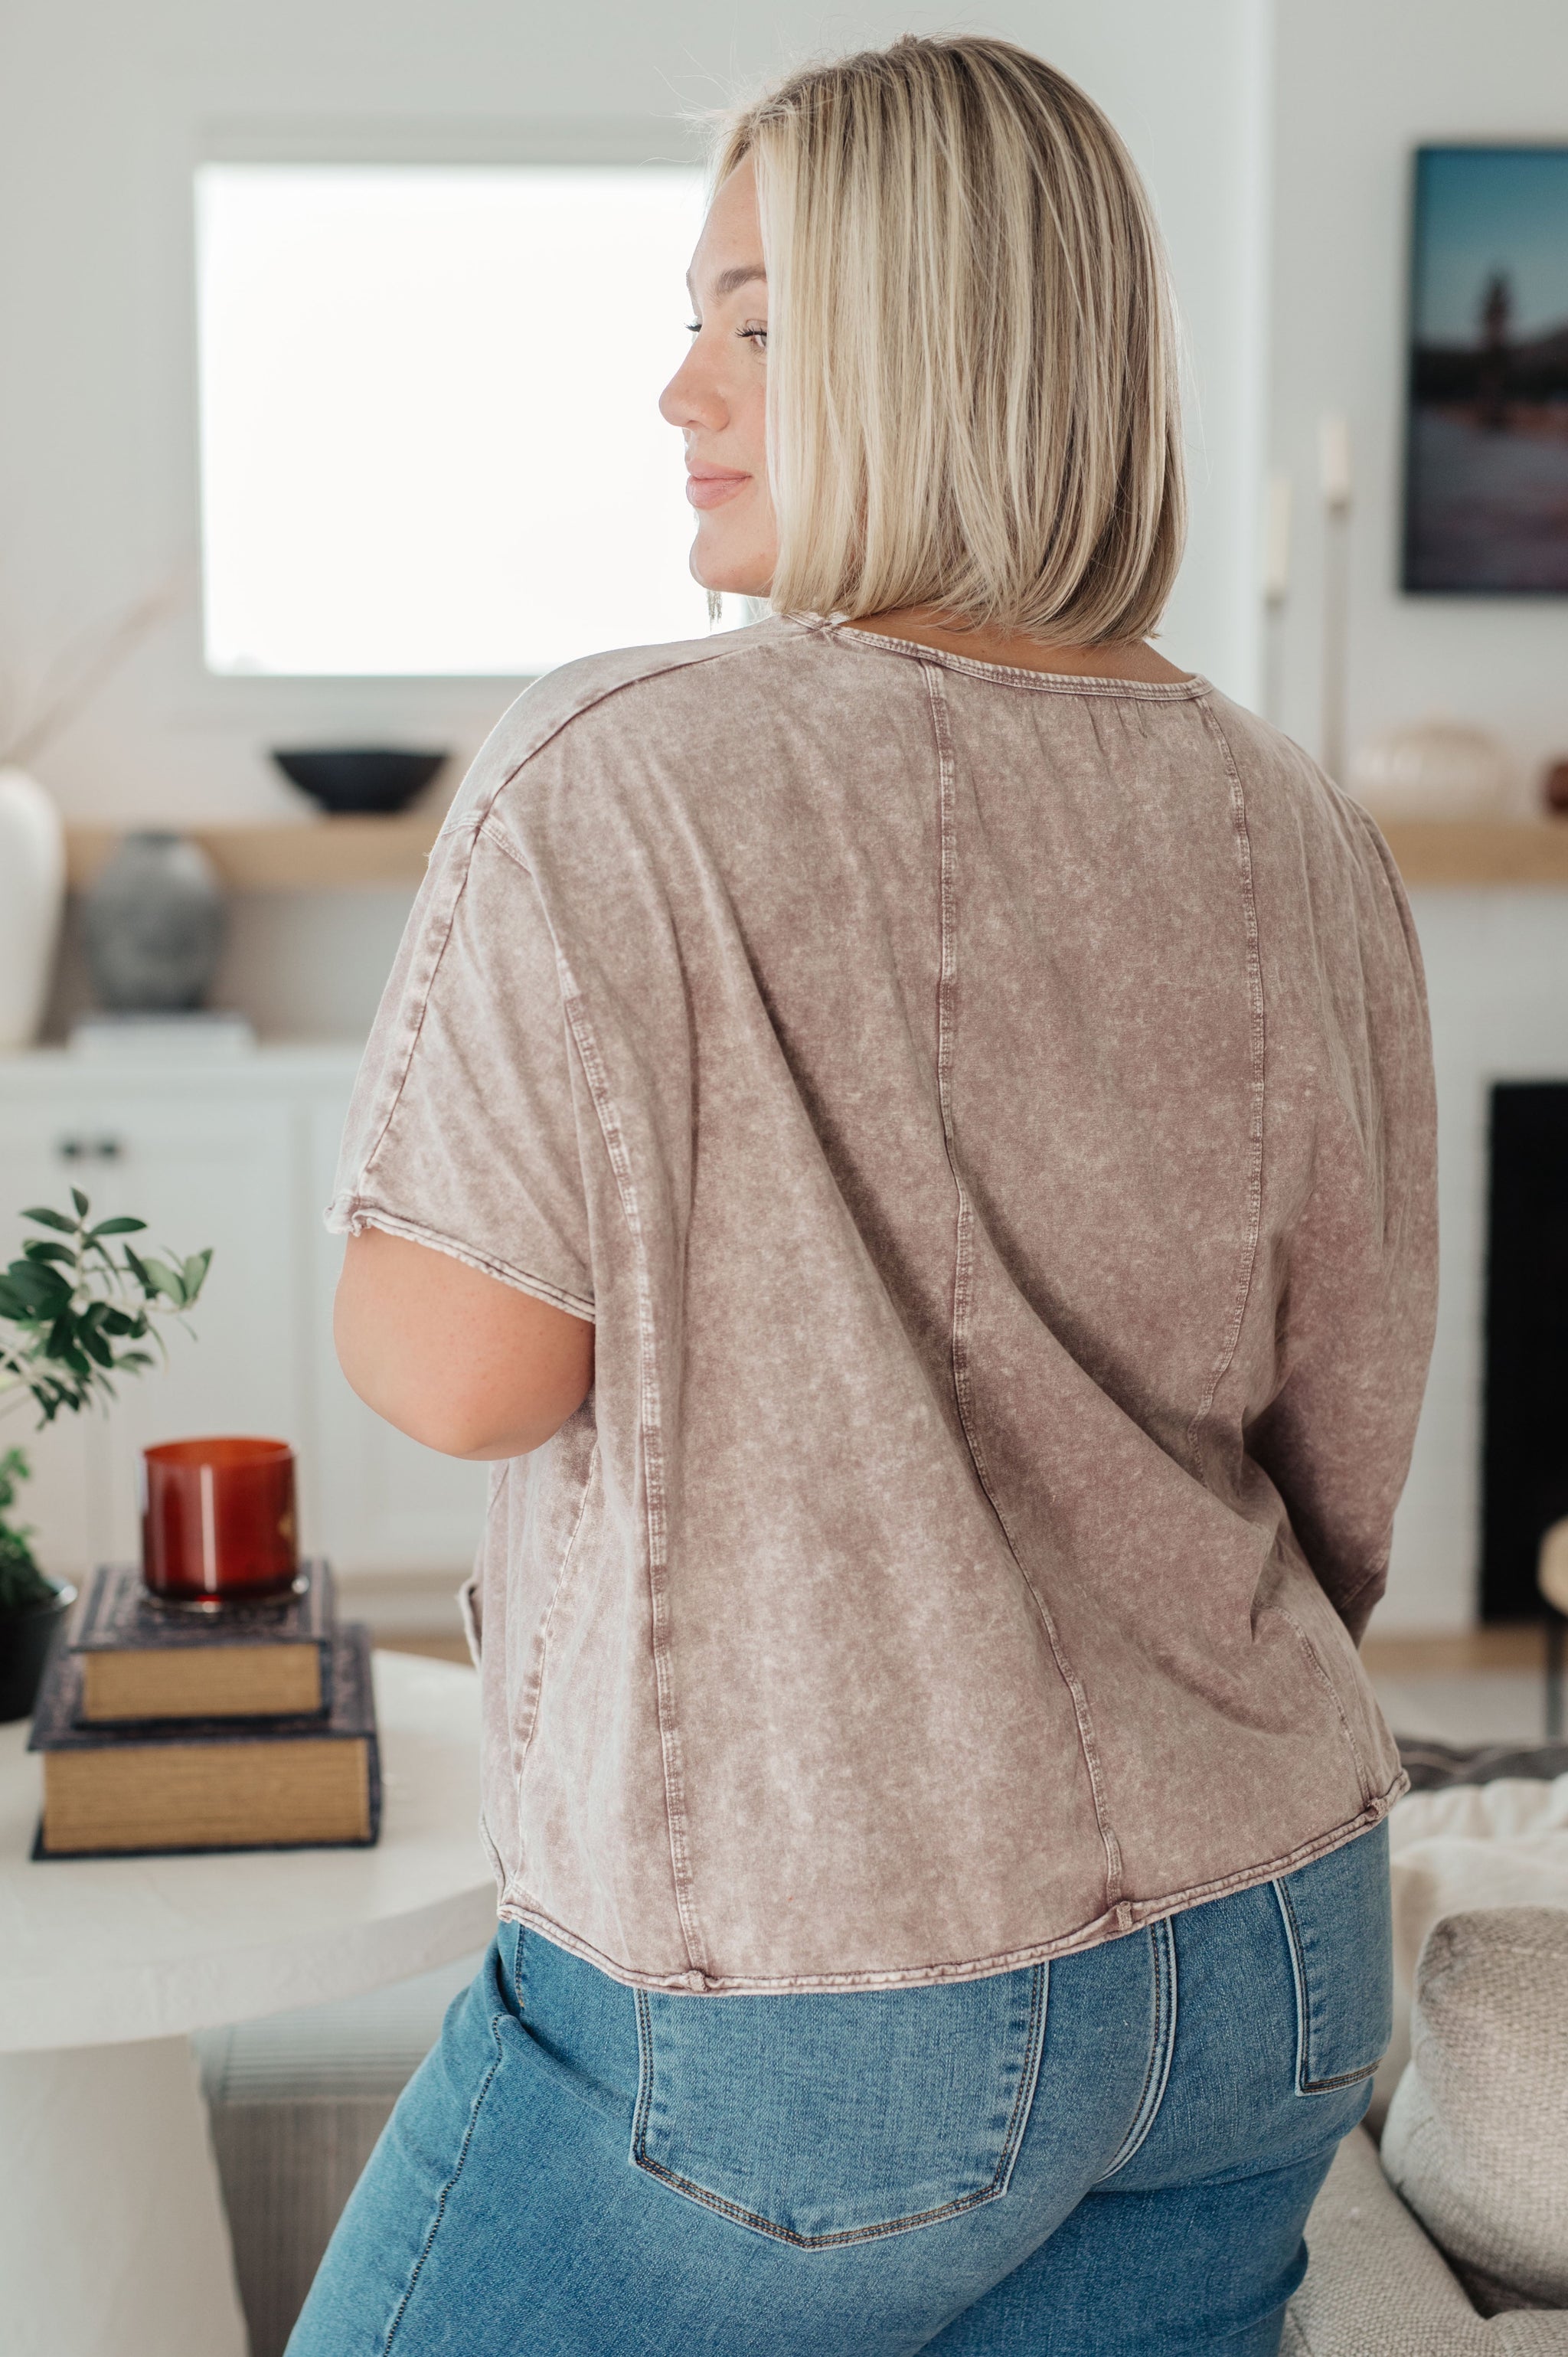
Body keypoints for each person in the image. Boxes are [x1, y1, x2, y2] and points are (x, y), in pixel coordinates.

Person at [291, 35, 1436, 2357]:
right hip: (1270, 1947)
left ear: (942, 348)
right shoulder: (1298, 823)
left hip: (811, 1980)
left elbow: (459, 1368)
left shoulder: (617, 766)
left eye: (756, 320)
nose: (678, 388)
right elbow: (1347, 1447)